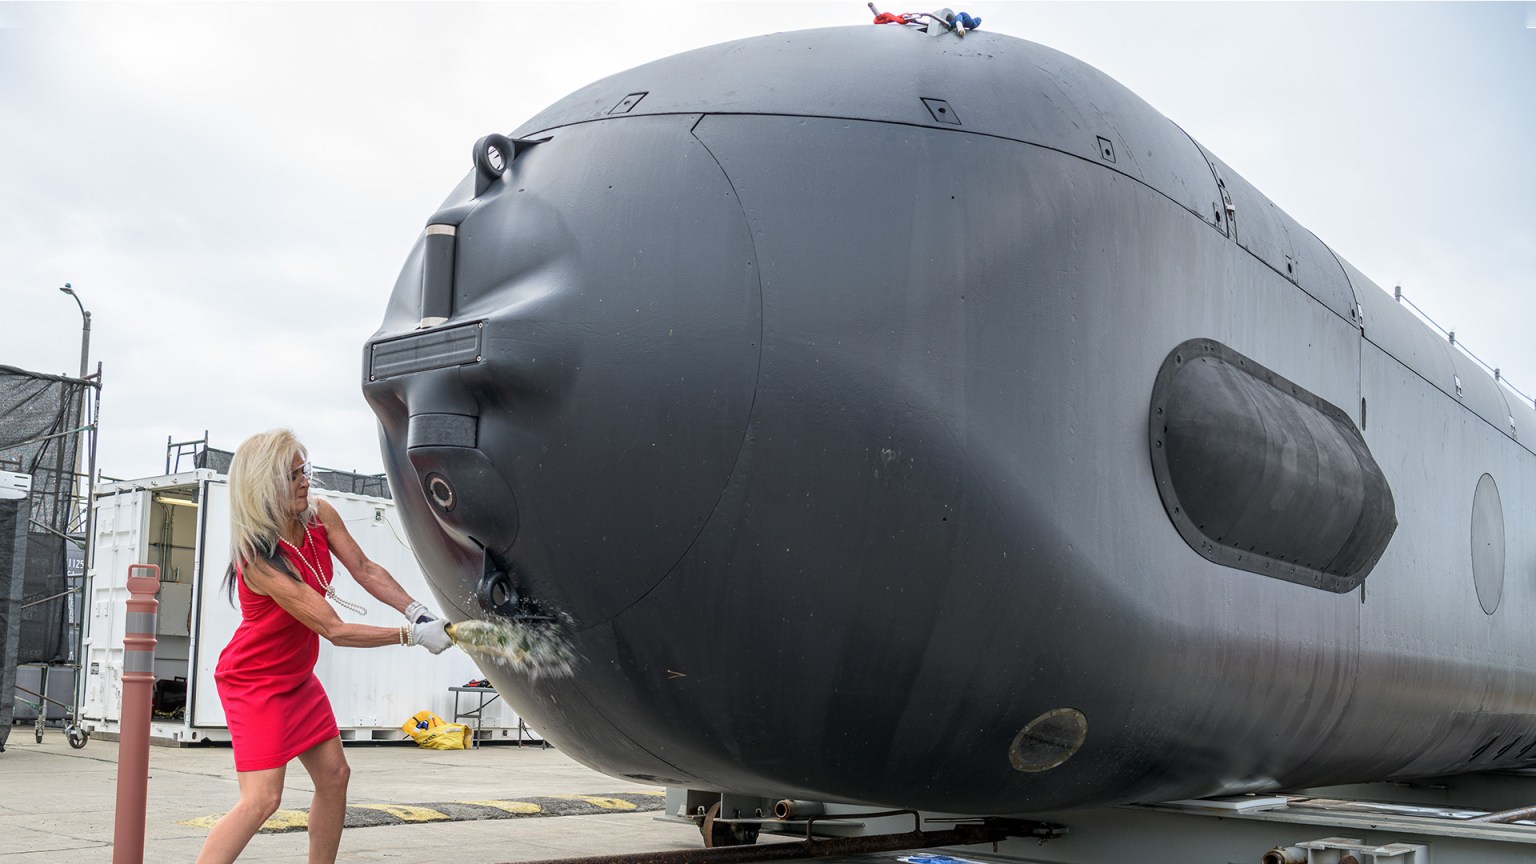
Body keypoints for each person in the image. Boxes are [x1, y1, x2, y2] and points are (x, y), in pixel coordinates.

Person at [195, 429, 452, 864]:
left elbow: (365, 569)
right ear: (265, 484)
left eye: (305, 469)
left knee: (335, 776)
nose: (305, 481)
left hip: (296, 677)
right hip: (254, 683)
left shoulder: (319, 516)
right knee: (262, 800)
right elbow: (333, 629)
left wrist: (416, 612)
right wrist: (410, 637)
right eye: (294, 474)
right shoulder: (258, 560)